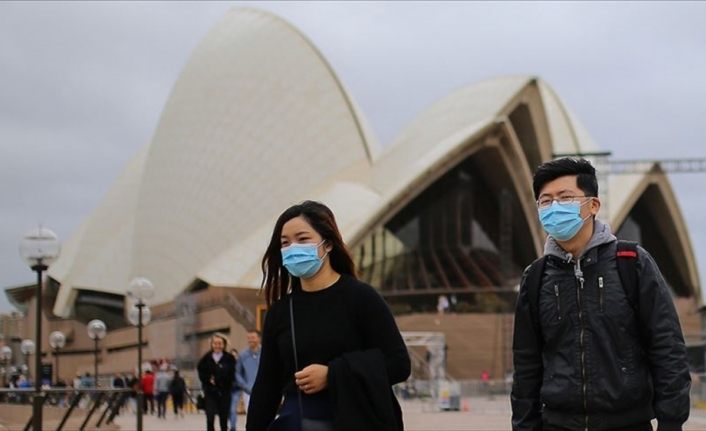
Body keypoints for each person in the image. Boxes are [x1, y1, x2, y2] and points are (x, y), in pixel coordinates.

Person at [512, 158, 691, 431]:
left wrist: (671, 422)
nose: (554, 207)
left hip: (628, 423)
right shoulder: (536, 277)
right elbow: (526, 364)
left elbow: (667, 347)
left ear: (593, 205)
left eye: (565, 197)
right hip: (558, 424)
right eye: (545, 201)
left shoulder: (632, 262)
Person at [246, 201, 411, 431]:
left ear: (328, 244)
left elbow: (399, 364)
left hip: (355, 420)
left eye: (302, 239)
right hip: (298, 422)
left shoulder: (361, 297)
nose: (293, 248)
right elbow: (266, 387)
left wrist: (333, 374)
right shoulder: (281, 312)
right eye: (285, 243)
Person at [197, 333, 236, 431]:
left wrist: (219, 380)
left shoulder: (229, 358)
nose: (217, 346)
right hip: (210, 392)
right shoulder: (206, 358)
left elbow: (232, 374)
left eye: (220, 343)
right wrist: (208, 379)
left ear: (224, 344)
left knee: (223, 418)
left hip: (224, 392)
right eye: (215, 343)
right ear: (212, 344)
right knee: (210, 417)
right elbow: (200, 370)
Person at [236, 331, 261, 415]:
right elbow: (237, 372)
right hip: (248, 392)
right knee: (251, 417)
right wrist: (245, 386)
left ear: (259, 338)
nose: (251, 340)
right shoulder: (242, 355)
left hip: (265, 390)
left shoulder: (266, 353)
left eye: (253, 338)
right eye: (249, 338)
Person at [229, 348, 241, 431]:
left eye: (235, 356)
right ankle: (232, 425)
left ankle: (233, 427)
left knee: (233, 409)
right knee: (229, 410)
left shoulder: (239, 366)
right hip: (227, 390)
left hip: (236, 390)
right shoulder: (227, 365)